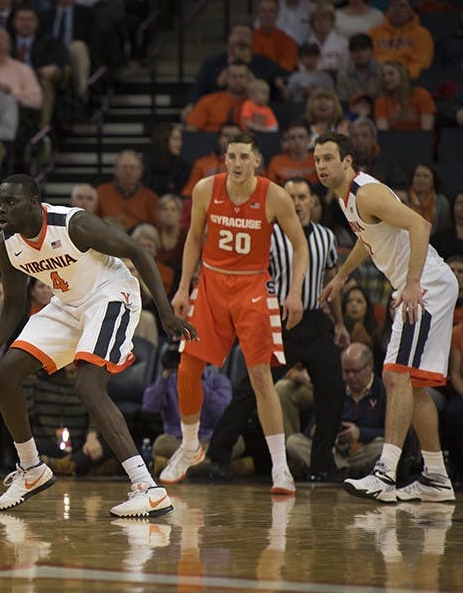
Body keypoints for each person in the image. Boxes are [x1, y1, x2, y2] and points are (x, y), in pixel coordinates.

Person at [0, 174, 197, 517]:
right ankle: (32, 469)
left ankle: (147, 487)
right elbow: (12, 306)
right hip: (67, 305)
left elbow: (137, 250)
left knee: (88, 384)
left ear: (34, 204)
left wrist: (165, 311)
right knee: (6, 374)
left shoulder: (73, 225)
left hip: (111, 296)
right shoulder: (5, 244)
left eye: (10, 202)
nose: (2, 210)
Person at [315, 131, 456, 502]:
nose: (321, 166)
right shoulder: (347, 199)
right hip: (428, 284)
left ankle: (385, 475)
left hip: (426, 285)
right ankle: (437, 479)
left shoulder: (367, 192)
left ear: (347, 162)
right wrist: (342, 277)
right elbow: (369, 239)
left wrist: (411, 284)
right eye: (317, 160)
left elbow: (420, 226)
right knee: (415, 385)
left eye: (328, 158)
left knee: (395, 376)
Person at [164, 131, 308, 495]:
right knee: (187, 368)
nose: (238, 163)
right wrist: (183, 287)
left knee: (261, 377)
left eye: (244, 156)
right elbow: (194, 238)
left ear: (257, 160)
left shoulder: (274, 195)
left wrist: (293, 292)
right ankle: (190, 446)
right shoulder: (205, 190)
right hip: (211, 285)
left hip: (252, 288)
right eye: (232, 156)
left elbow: (300, 245)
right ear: (224, 159)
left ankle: (280, 468)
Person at [206, 176, 346, 482]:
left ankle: (322, 464)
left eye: (302, 196)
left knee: (334, 390)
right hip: (276, 320)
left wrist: (339, 322)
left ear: (313, 202)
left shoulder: (325, 236)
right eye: (290, 196)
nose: (296, 202)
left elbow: (330, 280)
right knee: (250, 391)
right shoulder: (267, 236)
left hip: (314, 319)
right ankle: (217, 456)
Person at [285, 342, 386, 479]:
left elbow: (390, 432)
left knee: (382, 446)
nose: (350, 376)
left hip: (363, 450)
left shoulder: (383, 391)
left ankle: (338, 470)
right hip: (334, 451)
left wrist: (360, 433)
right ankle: (343, 469)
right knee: (293, 442)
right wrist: (317, 430)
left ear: (370, 366)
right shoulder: (335, 389)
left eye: (355, 371)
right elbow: (313, 425)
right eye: (346, 371)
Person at [95, 150, 159, 232]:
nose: (128, 171)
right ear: (116, 170)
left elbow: (155, 228)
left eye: (132, 167)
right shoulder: (101, 193)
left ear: (141, 171)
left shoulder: (150, 197)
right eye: (124, 167)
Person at [374, 61, 436, 132]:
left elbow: (427, 130)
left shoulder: (421, 94)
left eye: (391, 74)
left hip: (420, 140)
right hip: (394, 141)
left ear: (403, 75)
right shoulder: (381, 100)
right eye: (383, 75)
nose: (386, 79)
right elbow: (383, 132)